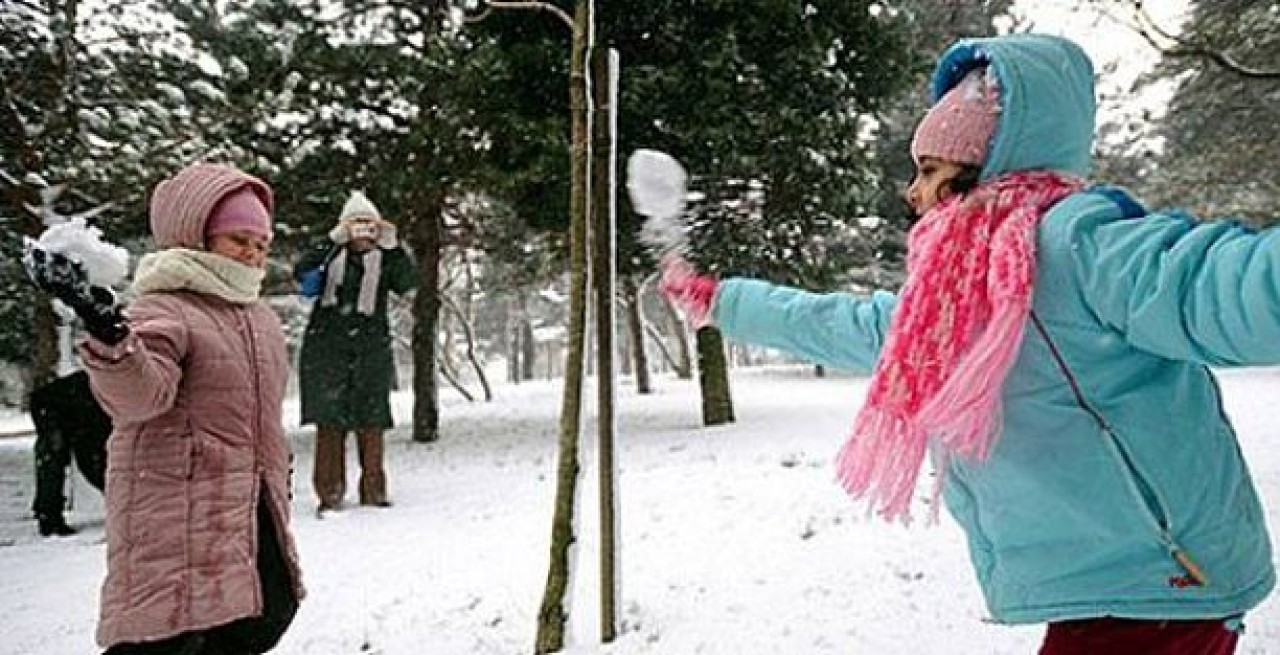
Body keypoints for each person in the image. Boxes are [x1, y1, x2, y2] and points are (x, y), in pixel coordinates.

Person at [660, 34, 1274, 654]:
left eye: (929, 170)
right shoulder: (951, 292)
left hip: (1164, 579)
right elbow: (847, 324)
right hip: (1109, 587)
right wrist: (726, 302)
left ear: (989, 165)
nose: (913, 191)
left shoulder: (1082, 247)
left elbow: (1224, 284)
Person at [26, 162, 305, 654]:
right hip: (175, 503)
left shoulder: (257, 317)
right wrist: (110, 335)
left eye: (261, 244)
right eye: (238, 239)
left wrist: (277, 468)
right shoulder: (166, 306)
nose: (253, 254)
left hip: (246, 498)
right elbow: (138, 397)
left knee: (266, 609)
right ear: (196, 236)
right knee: (168, 631)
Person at [294, 190, 416, 512]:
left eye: (369, 226)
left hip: (370, 350)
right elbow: (301, 273)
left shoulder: (386, 259)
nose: (363, 233)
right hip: (326, 349)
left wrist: (394, 245)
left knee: (372, 421)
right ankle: (329, 493)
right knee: (330, 423)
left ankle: (374, 491)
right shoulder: (329, 256)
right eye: (356, 225)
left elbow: (408, 283)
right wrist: (330, 241)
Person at [29, 369, 111, 537]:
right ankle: (49, 517)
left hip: (69, 409)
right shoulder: (107, 403)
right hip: (55, 407)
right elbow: (94, 462)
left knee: (57, 460)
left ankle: (47, 513)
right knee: (53, 460)